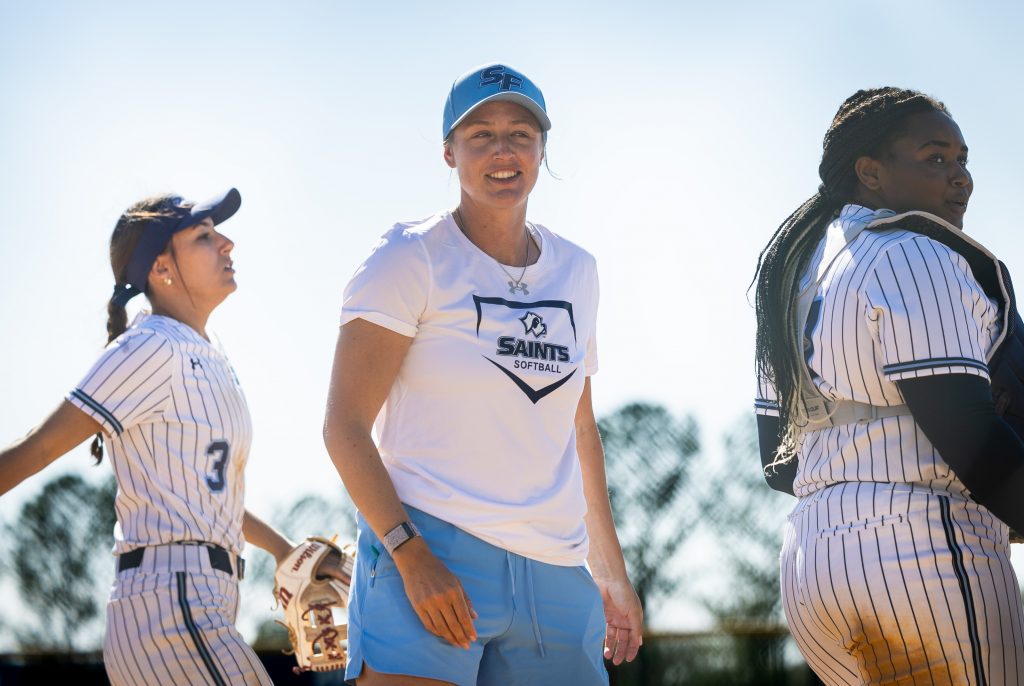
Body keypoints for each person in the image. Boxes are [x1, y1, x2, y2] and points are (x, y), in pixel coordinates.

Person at [323, 63, 643, 686]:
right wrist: (410, 555)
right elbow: (344, 426)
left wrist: (609, 573)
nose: (503, 151)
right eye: (481, 135)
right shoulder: (408, 257)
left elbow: (580, 433)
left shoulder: (578, 271)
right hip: (433, 552)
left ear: (542, 149)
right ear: (449, 152)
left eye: (521, 134)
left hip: (555, 569)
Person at [752, 88, 1024, 685]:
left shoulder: (797, 274)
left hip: (812, 562)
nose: (961, 177)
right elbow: (972, 437)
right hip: (924, 550)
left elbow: (776, 463)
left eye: (962, 158)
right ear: (869, 172)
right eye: (935, 158)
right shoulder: (914, 253)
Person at [0, 190, 320, 685]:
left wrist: (281, 549)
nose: (227, 243)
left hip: (194, 597)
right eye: (204, 236)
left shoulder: (207, 353)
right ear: (162, 270)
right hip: (170, 603)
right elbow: (38, 447)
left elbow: (203, 493)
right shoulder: (151, 346)